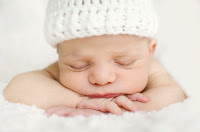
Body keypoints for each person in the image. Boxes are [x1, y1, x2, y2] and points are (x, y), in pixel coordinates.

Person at [3, 0, 186, 117]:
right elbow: (16, 89)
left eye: (124, 62)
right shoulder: (57, 71)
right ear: (60, 55)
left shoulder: (152, 68)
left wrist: (117, 111)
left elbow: (173, 94)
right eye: (78, 65)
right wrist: (79, 102)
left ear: (149, 52)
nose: (101, 78)